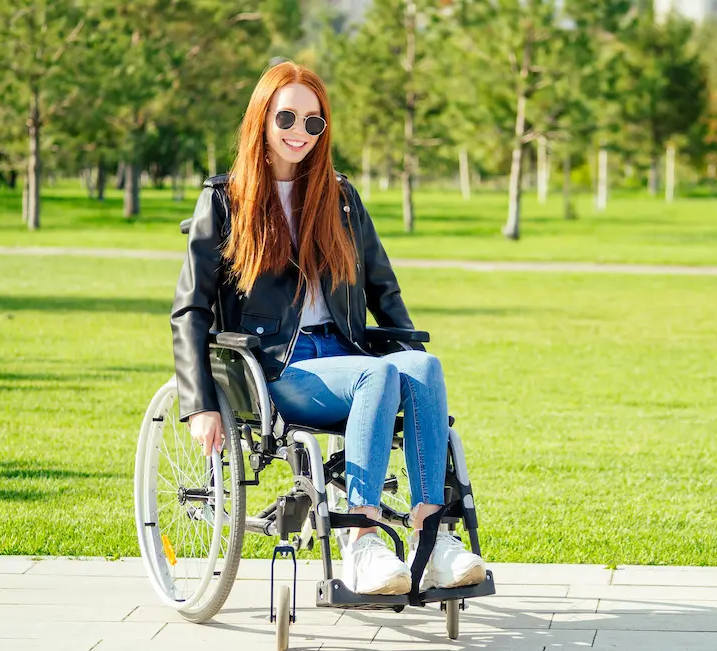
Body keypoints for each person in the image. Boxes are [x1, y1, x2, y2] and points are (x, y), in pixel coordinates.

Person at [170, 61, 485, 596]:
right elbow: (191, 309)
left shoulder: (339, 197)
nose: (299, 132)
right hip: (277, 366)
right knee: (377, 378)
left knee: (422, 366)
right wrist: (199, 401)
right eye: (287, 117)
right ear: (261, 119)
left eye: (313, 123)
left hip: (346, 353)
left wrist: (406, 357)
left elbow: (384, 291)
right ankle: (362, 540)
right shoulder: (224, 200)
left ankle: (432, 538)